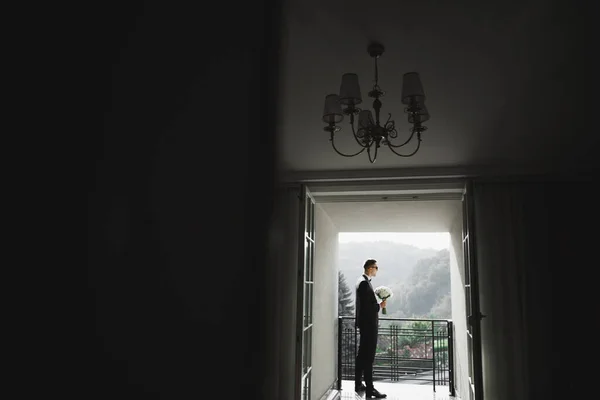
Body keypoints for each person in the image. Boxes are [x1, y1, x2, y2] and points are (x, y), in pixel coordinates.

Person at [354, 259, 387, 398]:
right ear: (369, 268)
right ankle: (370, 389)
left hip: (365, 326)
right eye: (376, 267)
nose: (377, 270)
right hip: (369, 326)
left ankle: (358, 384)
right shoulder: (364, 284)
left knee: (361, 356)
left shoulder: (361, 281)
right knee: (368, 357)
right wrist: (380, 305)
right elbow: (368, 308)